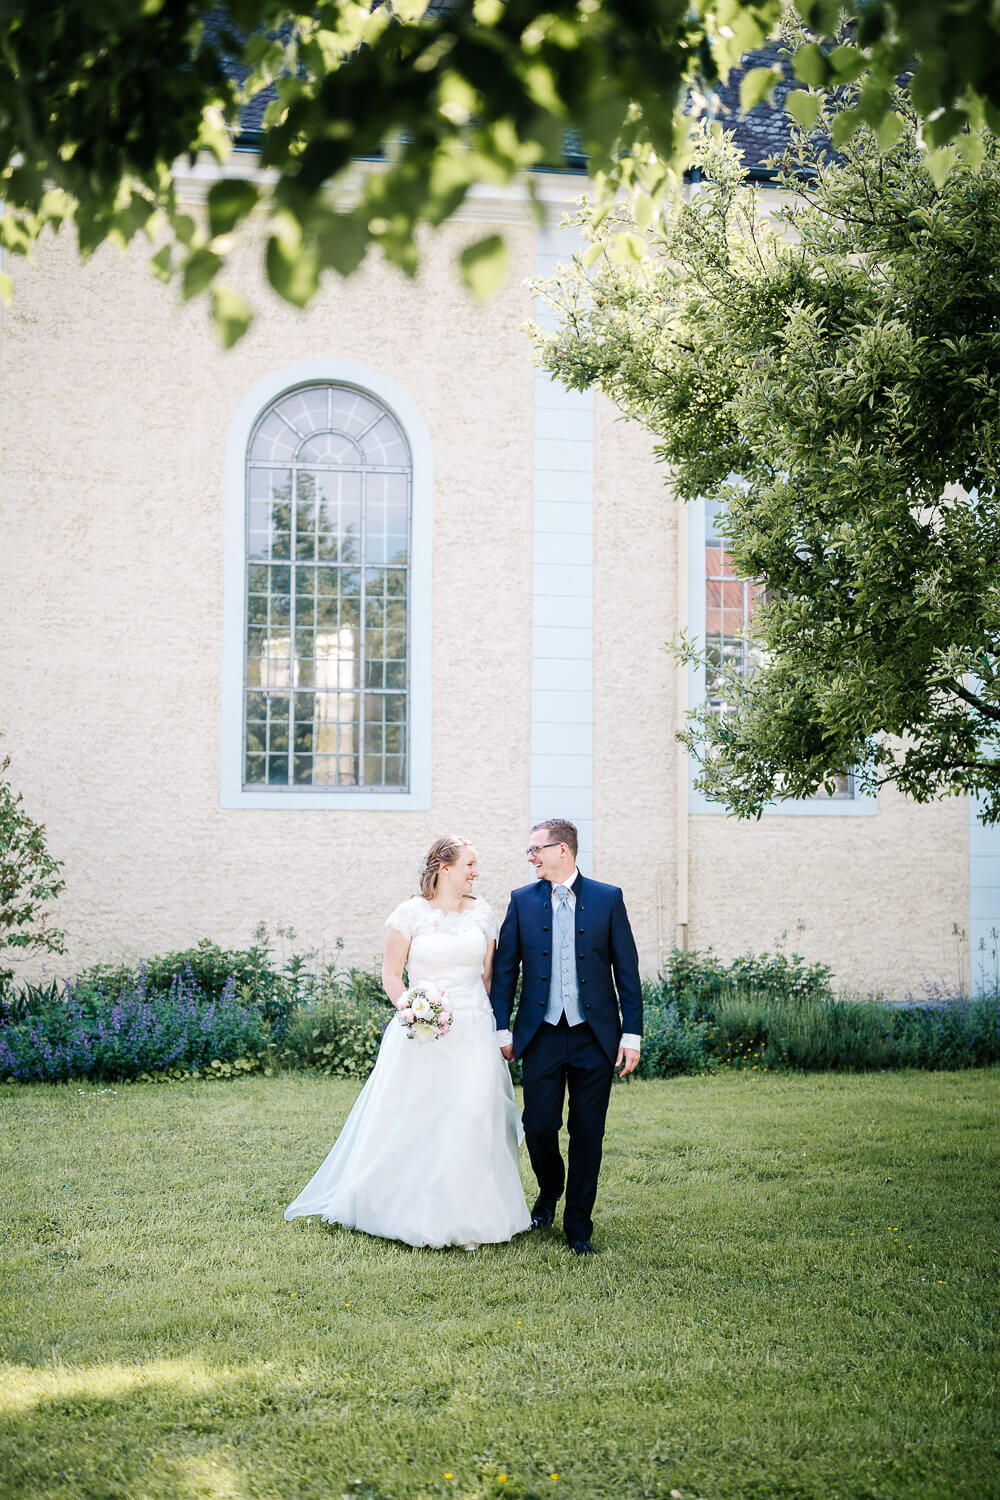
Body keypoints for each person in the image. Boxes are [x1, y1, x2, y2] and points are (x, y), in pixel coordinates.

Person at [284, 836, 531, 1249]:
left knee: (471, 1116)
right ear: (444, 868)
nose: (475, 872)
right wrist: (413, 1008)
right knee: (417, 1116)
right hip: (421, 1032)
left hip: (471, 1028)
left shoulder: (483, 913)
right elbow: (391, 974)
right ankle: (400, 1207)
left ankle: (469, 1215)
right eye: (469, 864)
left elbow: (489, 979)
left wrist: (495, 1026)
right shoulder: (408, 914)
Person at [490, 819, 642, 1255]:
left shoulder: (607, 899)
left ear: (564, 850)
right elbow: (505, 974)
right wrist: (502, 1028)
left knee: (588, 1131)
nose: (531, 856)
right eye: (529, 850)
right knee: (538, 1126)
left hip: (595, 1038)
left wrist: (631, 1035)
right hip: (540, 1036)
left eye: (536, 849)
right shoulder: (521, 901)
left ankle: (579, 1227)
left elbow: (627, 972)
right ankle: (550, 1188)